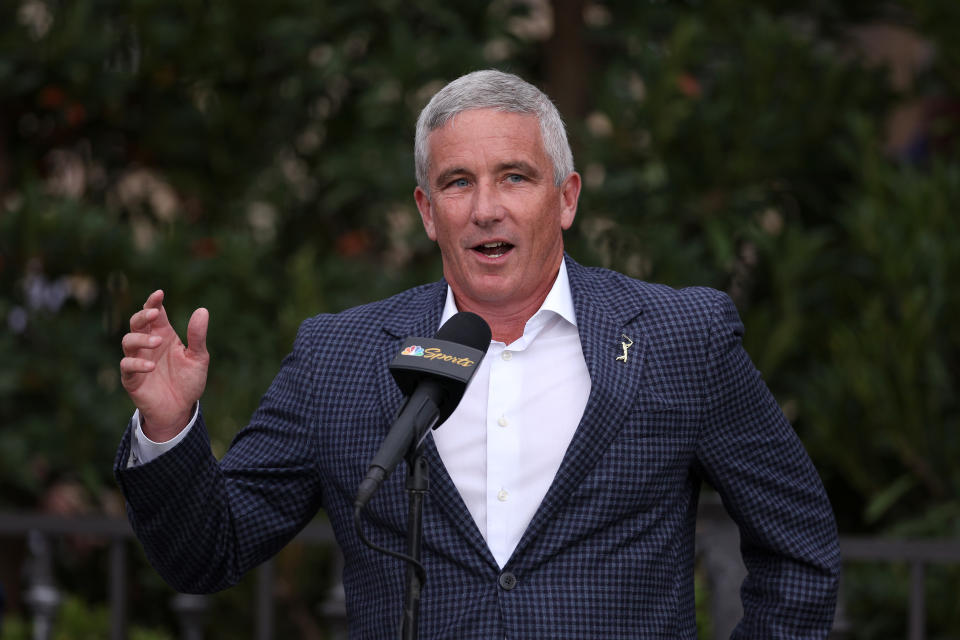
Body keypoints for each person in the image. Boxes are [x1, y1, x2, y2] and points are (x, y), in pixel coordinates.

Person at [115, 70, 840, 638]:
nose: (486, 208)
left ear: (566, 199)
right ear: (429, 212)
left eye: (514, 177)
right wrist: (169, 430)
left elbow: (800, 547)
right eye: (458, 182)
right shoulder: (337, 357)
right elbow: (208, 551)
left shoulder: (680, 338)